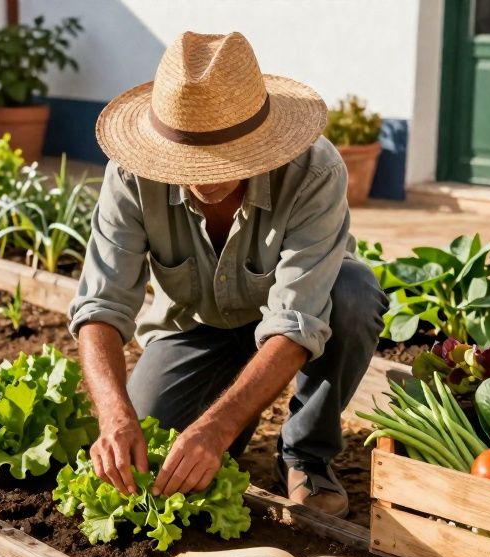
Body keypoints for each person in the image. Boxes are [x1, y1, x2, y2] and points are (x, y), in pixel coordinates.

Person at [68, 31, 387, 517]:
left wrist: (216, 429)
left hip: (297, 321)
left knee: (355, 293)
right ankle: (222, 431)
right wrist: (114, 416)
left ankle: (305, 453)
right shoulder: (132, 175)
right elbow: (100, 306)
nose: (204, 177)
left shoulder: (313, 171)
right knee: (157, 453)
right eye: (188, 159)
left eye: (225, 157)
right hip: (194, 326)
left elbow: (296, 319)